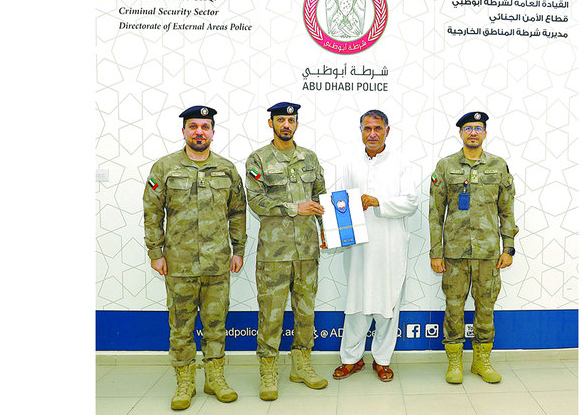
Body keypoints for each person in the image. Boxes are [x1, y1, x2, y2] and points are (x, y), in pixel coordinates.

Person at [143, 105, 246, 409]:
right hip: (179, 263)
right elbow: (152, 212)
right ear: (184, 131)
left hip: (217, 263)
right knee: (181, 327)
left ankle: (215, 378)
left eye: (205, 127)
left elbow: (238, 212)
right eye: (193, 126)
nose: (199, 132)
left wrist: (238, 249)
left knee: (216, 325)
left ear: (213, 132)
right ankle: (185, 382)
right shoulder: (164, 167)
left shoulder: (226, 169)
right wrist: (155, 252)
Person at [245, 102, 329, 401]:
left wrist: (327, 231)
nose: (286, 125)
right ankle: (268, 371)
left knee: (306, 312)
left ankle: (301, 364)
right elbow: (255, 201)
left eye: (290, 120)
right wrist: (295, 208)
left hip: (307, 250)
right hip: (274, 253)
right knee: (271, 314)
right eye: (280, 120)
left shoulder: (309, 158)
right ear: (271, 123)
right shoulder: (259, 158)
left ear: (296, 124)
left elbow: (320, 197)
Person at [429, 111, 519, 385]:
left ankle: (481, 361)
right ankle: (454, 361)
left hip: (488, 254)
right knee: (454, 307)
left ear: (485, 133)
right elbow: (435, 213)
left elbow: (507, 210)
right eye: (468, 128)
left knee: (485, 307)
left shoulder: (498, 165)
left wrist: (509, 247)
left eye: (478, 128)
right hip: (454, 254)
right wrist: (436, 252)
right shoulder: (446, 166)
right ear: (460, 133)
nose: (473, 133)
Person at [332, 110, 418, 382]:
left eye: (377, 128)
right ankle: (351, 359)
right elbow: (340, 203)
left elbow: (411, 202)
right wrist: (334, 232)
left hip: (390, 246)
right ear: (361, 131)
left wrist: (378, 202)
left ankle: (382, 360)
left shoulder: (401, 162)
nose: (372, 134)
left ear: (387, 131)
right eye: (367, 128)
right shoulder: (349, 162)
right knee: (356, 303)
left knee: (387, 303)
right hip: (358, 247)